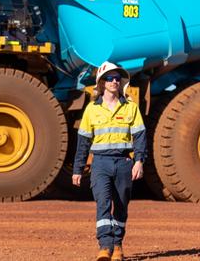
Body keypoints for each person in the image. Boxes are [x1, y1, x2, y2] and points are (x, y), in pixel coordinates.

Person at [72, 61, 146, 261]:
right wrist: (77, 169)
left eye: (117, 78)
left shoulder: (131, 108)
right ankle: (105, 247)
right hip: (101, 164)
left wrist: (139, 161)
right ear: (101, 83)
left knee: (121, 205)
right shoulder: (91, 110)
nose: (114, 81)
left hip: (123, 163)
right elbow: (83, 142)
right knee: (103, 203)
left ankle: (118, 245)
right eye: (110, 78)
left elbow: (139, 137)